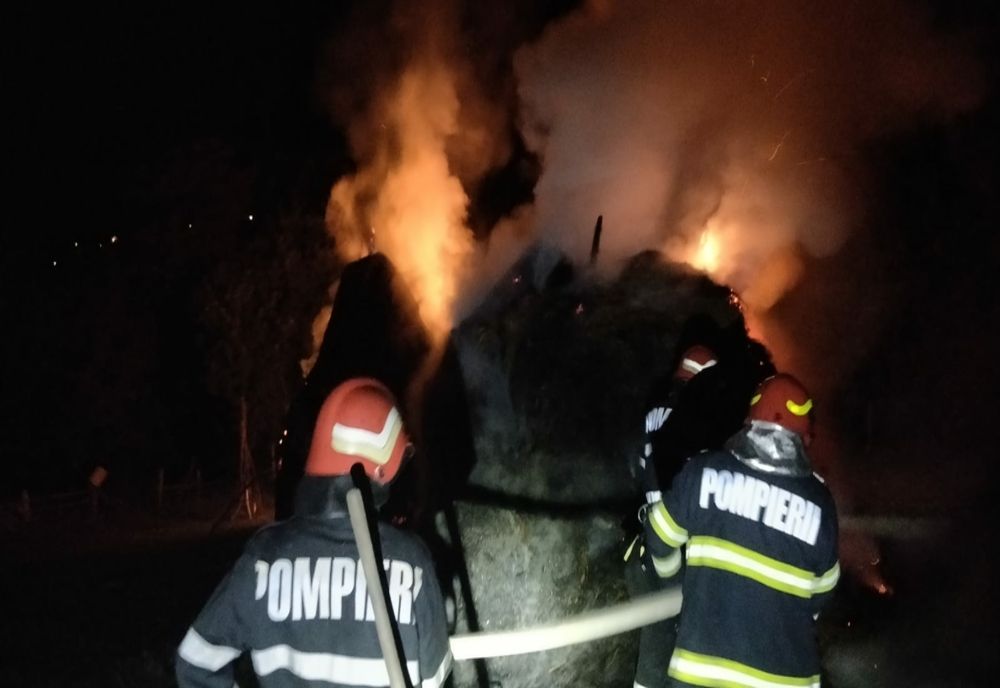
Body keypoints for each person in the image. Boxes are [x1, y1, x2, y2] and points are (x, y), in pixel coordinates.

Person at [176, 377, 453, 688]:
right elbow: (434, 678)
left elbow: (196, 661)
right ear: (381, 470)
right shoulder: (411, 562)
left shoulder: (263, 560)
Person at [646, 373, 840, 687]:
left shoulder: (704, 472)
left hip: (701, 678)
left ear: (749, 423)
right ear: (805, 439)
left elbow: (658, 536)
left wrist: (676, 590)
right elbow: (821, 597)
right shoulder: (821, 506)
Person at [626, 344, 717, 688]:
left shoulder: (653, 407)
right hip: (674, 551)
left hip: (643, 547)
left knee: (653, 655)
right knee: (685, 652)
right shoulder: (694, 418)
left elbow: (636, 466)